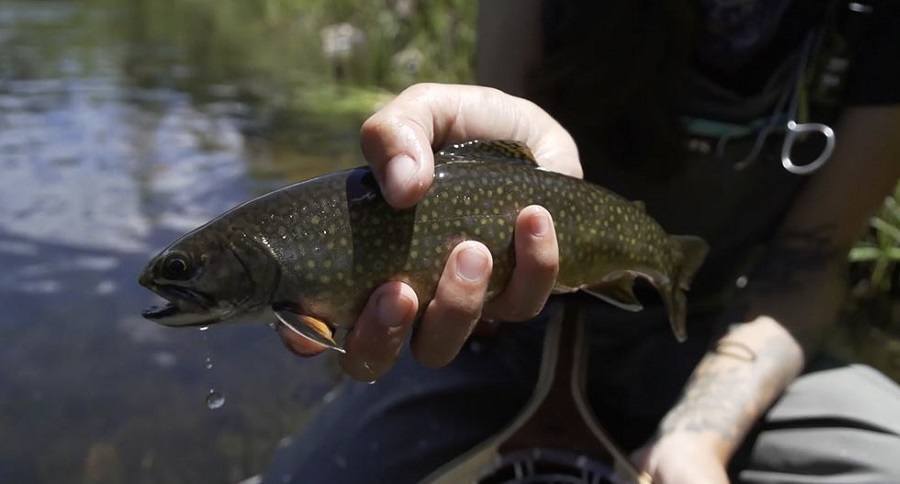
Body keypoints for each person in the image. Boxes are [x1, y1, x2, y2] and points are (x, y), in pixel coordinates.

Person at [267, 1, 900, 482]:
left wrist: (701, 434)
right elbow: (504, 149)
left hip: (722, 333)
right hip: (503, 335)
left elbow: (807, 263)